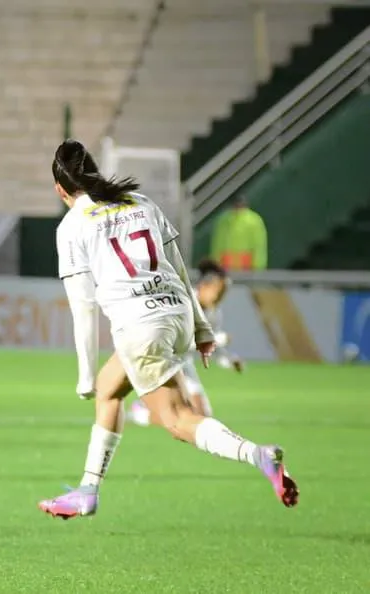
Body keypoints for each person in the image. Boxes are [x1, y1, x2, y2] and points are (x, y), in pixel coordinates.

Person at [37, 139, 298, 520]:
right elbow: (178, 268)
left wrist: (84, 374)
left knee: (176, 419)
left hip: (140, 327)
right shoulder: (140, 202)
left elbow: (84, 307)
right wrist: (202, 329)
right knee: (110, 390)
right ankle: (88, 490)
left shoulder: (72, 226)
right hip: (176, 314)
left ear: (60, 190)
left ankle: (257, 454)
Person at [128, 257, 243, 424]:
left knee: (203, 415)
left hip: (182, 361)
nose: (220, 297)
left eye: (224, 293)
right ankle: (141, 413)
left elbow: (210, 347)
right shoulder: (183, 301)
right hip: (161, 357)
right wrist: (217, 339)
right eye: (219, 291)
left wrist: (230, 361)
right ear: (204, 286)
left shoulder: (214, 314)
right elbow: (176, 340)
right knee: (182, 415)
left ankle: (143, 412)